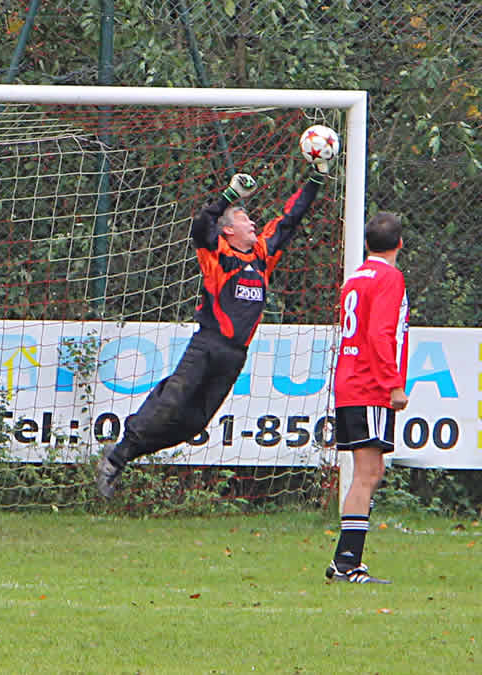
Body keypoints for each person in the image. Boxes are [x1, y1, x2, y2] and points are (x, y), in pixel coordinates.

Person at [95, 157, 329, 499]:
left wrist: (316, 179)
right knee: (171, 400)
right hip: (207, 345)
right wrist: (229, 196)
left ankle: (122, 455)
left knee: (193, 424)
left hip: (234, 357)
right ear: (228, 231)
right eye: (243, 218)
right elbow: (201, 223)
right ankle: (116, 458)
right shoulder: (216, 254)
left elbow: (290, 219)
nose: (252, 222)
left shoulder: (262, 255)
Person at [324, 212, 408, 584]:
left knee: (371, 471)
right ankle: (346, 563)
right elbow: (378, 334)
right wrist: (393, 384)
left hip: (350, 380)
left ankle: (347, 560)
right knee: (367, 473)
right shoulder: (390, 277)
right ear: (400, 244)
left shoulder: (355, 277)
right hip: (369, 384)